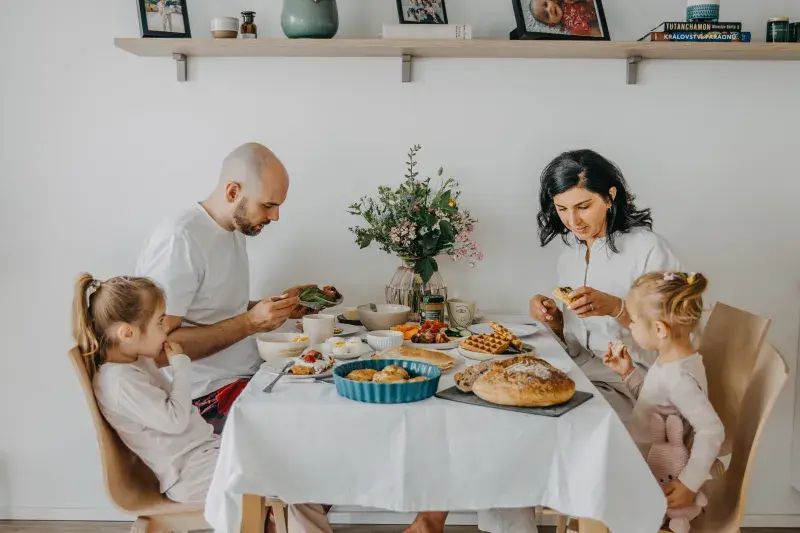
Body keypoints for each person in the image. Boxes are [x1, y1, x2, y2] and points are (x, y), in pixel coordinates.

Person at [72, 273, 334, 532]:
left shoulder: (136, 363)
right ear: (127, 333)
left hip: (205, 456)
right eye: (160, 322)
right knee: (293, 475)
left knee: (296, 465)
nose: (167, 330)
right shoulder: (119, 381)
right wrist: (181, 367)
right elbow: (175, 421)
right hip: (189, 475)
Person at [530, 149, 681, 421]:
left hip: (637, 386)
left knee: (553, 421)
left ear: (610, 197)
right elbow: (579, 345)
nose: (572, 221)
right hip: (581, 374)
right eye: (562, 209)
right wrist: (555, 324)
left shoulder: (648, 249)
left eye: (583, 206)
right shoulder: (569, 258)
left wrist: (618, 309)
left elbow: (676, 339)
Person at [603, 271, 724, 513]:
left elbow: (712, 430)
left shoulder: (679, 378)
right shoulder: (675, 362)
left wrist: (689, 483)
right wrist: (628, 374)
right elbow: (657, 405)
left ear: (659, 329)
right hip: (642, 456)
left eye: (633, 321)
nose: (631, 327)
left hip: (652, 470)